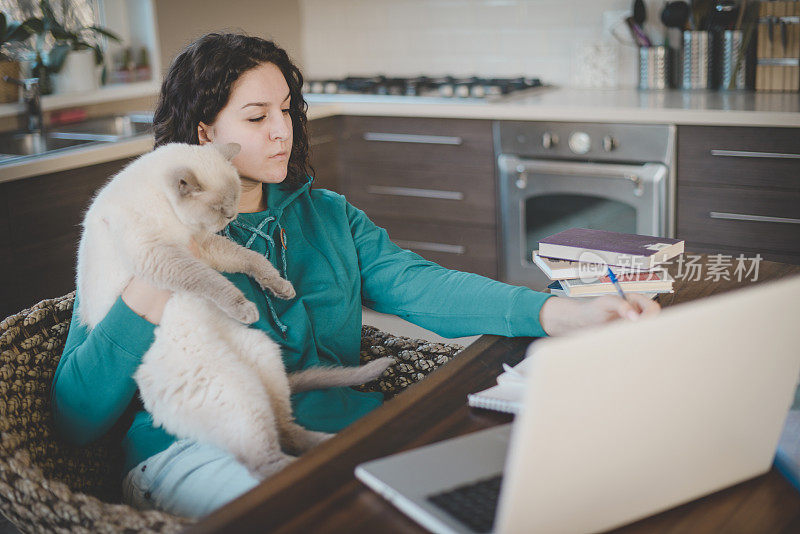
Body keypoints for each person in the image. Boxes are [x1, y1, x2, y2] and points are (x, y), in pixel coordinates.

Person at [51, 33, 660, 519]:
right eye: (258, 116)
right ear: (206, 132)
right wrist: (150, 288)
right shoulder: (136, 226)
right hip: (188, 451)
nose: (282, 131)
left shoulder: (328, 215)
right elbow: (75, 418)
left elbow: (422, 285)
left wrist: (557, 313)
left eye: (286, 110)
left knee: (523, 485)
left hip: (335, 426)